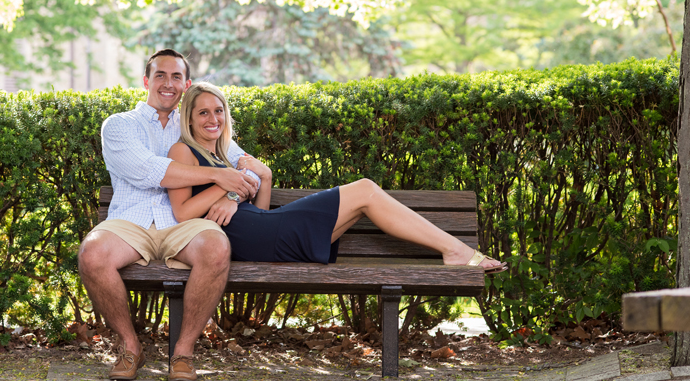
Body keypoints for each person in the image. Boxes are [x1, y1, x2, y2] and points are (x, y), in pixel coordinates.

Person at [167, 82, 508, 272]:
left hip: (263, 230)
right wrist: (226, 186)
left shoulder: (223, 154)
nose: (213, 118)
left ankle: (455, 251)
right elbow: (182, 213)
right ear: (191, 119)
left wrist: (261, 179)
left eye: (219, 111)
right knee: (364, 190)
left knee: (363, 198)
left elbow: (261, 208)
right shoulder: (184, 151)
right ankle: (455, 250)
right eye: (203, 113)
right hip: (249, 240)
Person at [77, 50, 262, 381]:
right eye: (160, 75)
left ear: (186, 84)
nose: (168, 83)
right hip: (131, 223)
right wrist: (219, 176)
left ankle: (183, 353)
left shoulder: (196, 123)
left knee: (216, 247)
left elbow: (250, 171)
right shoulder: (119, 126)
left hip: (185, 223)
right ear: (147, 81)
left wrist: (234, 195)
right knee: (92, 253)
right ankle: (130, 347)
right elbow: (147, 170)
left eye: (176, 77)